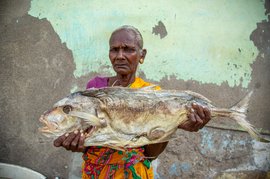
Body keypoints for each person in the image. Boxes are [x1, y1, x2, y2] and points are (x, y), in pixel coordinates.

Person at [53, 25, 211, 179]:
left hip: (133, 174)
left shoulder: (153, 95)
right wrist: (78, 142)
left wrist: (171, 126)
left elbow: (151, 154)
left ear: (142, 55)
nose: (120, 55)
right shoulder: (95, 88)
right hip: (95, 172)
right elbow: (93, 138)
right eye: (114, 49)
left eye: (128, 49)